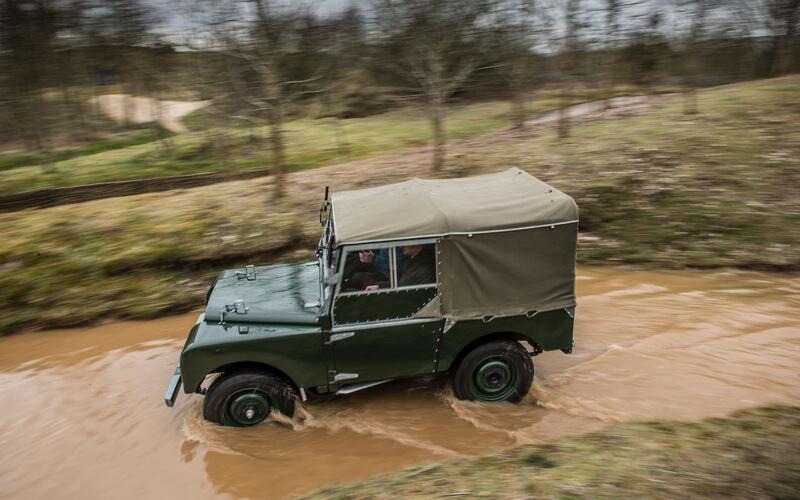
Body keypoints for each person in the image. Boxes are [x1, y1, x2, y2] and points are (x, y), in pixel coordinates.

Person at [365, 245, 435, 290]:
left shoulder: (425, 264)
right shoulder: (410, 259)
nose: (401, 246)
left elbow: (407, 283)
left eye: (404, 243)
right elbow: (404, 281)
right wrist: (379, 286)